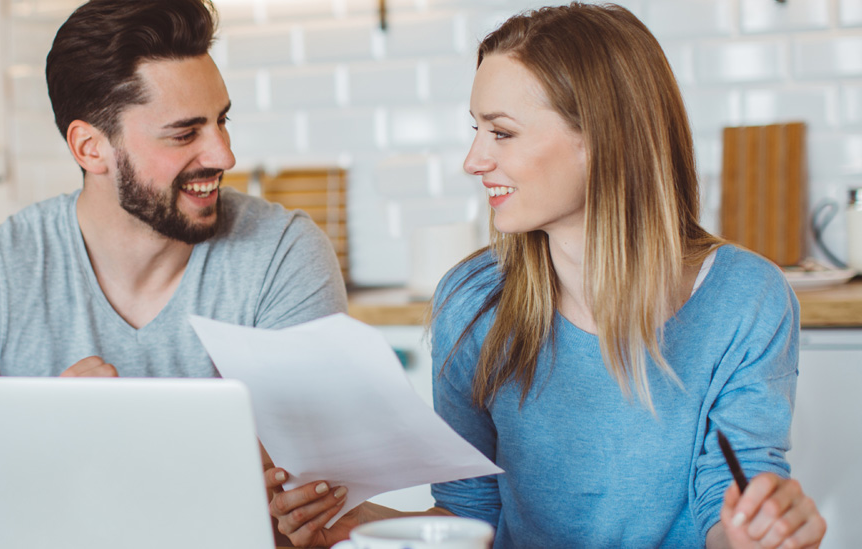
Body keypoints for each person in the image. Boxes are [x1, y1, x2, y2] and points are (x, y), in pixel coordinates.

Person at [265, 4, 826, 548]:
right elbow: (469, 516)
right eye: (476, 129)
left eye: (501, 132)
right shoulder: (473, 301)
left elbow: (728, 506)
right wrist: (351, 525)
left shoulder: (745, 298)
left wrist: (762, 531)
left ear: (603, 140)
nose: (473, 159)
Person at [0, 0, 347, 545]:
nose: (223, 154)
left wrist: (53, 443)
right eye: (185, 133)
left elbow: (313, 480)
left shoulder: (282, 253)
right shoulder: (2, 270)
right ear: (90, 147)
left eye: (221, 121)